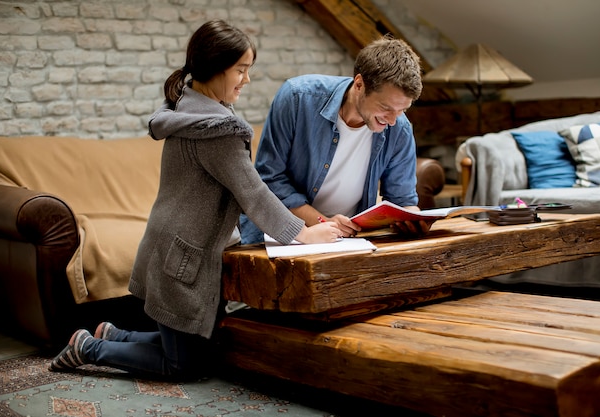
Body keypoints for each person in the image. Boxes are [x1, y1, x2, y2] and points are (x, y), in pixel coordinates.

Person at [48, 19, 341, 380]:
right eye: (241, 70)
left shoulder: (186, 107)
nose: (246, 80)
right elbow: (253, 193)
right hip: (183, 257)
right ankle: (89, 347)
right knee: (183, 365)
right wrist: (304, 233)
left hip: (170, 243)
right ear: (216, 67)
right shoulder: (218, 130)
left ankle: (113, 333)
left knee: (196, 346)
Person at [240, 36, 430, 245]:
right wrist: (323, 222)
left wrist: (414, 217)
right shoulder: (297, 98)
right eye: (386, 108)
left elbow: (402, 199)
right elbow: (270, 179)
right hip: (281, 237)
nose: (394, 120)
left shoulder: (400, 128)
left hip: (348, 242)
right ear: (359, 85)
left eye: (402, 110)